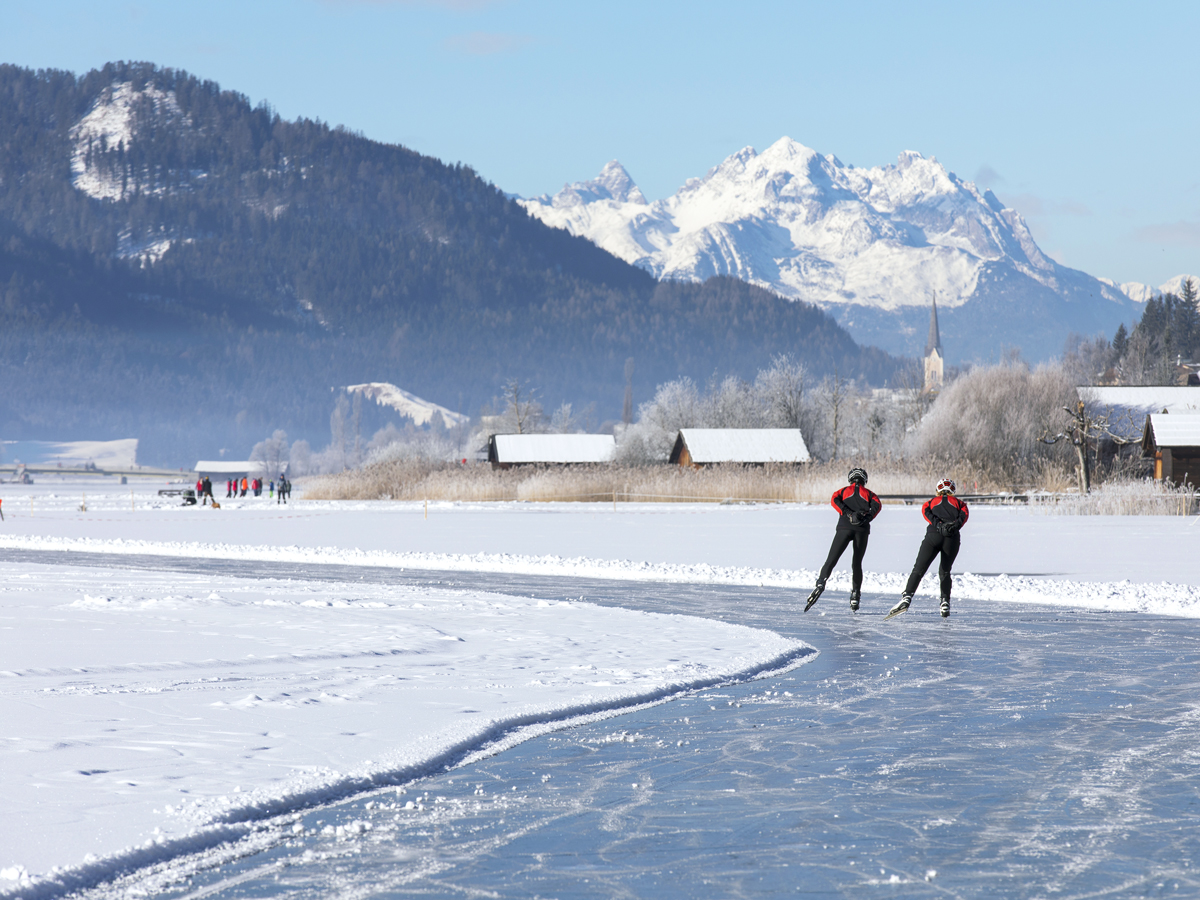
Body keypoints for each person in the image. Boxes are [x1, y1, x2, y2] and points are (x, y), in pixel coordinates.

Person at [888, 478, 969, 619]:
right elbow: (963, 518)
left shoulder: (930, 502)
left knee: (919, 569)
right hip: (952, 538)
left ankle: (906, 597)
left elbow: (927, 514)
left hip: (933, 536)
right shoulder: (961, 504)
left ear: (938, 490)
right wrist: (952, 526)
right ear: (953, 491)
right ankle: (945, 602)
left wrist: (938, 525)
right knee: (945, 571)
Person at [805, 467, 882, 612]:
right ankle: (855, 595)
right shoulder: (870, 494)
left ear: (850, 478)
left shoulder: (842, 491)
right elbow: (877, 505)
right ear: (864, 480)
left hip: (844, 529)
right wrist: (866, 517)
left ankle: (821, 583)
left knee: (831, 560)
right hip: (862, 530)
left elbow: (834, 500)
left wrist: (847, 513)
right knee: (857, 563)